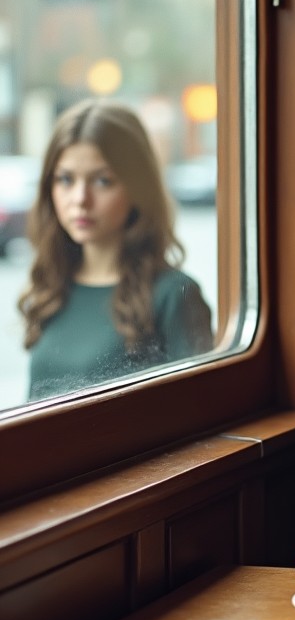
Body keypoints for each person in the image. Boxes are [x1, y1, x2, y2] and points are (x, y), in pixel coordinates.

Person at [18, 98, 213, 400]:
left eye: (102, 180)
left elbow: (201, 415)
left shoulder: (172, 296)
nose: (80, 199)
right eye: (66, 179)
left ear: (137, 188)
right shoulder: (51, 289)